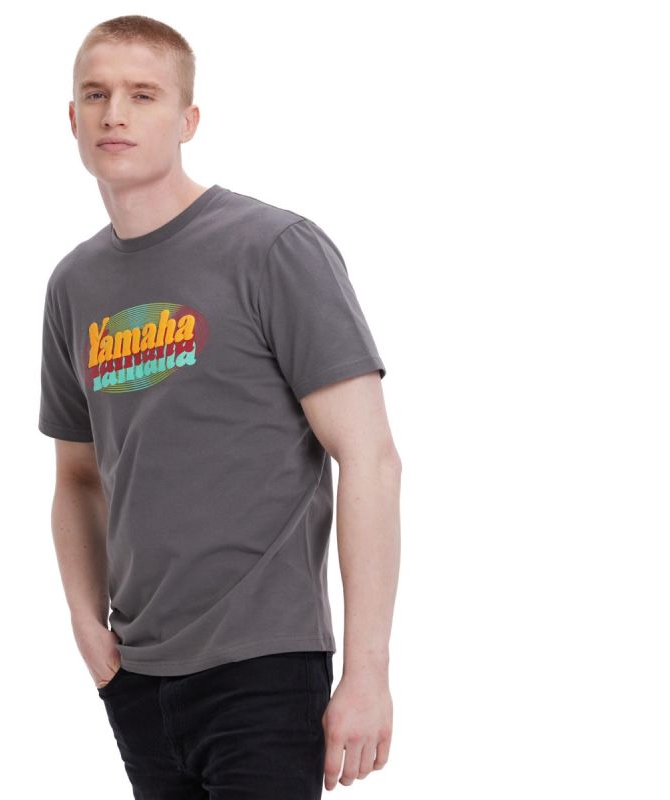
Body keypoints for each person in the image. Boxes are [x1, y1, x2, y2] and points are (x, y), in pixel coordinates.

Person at [39, 15, 401, 798]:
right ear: (71, 117)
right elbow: (77, 475)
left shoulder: (273, 249)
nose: (114, 114)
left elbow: (369, 457)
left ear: (188, 119)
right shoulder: (75, 285)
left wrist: (367, 672)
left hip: (263, 668)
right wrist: (86, 624)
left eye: (143, 94)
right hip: (138, 677)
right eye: (95, 95)